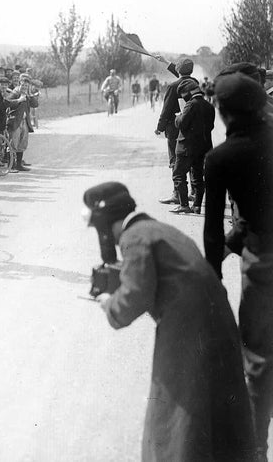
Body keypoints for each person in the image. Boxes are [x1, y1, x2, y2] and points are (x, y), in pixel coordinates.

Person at [84, 181, 256, 462]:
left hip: (187, 328)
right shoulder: (158, 229)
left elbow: (133, 298)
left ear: (108, 223)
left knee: (176, 410)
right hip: (216, 322)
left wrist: (108, 304)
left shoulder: (134, 237)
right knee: (215, 404)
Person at [202, 73, 273, 455]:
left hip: (265, 264)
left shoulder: (222, 158)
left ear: (224, 113)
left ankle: (254, 450)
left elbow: (213, 232)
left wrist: (213, 284)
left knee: (260, 361)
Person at [169, 79, 214, 215]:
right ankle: (197, 205)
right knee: (198, 177)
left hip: (186, 147)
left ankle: (184, 205)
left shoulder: (190, 105)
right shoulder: (209, 106)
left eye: (183, 94)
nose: (183, 97)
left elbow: (181, 123)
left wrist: (178, 116)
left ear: (188, 92)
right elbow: (210, 127)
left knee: (178, 174)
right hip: (203, 147)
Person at [155, 58, 196, 204]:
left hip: (175, 128)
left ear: (178, 70)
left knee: (175, 160)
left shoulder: (172, 86)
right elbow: (182, 76)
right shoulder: (194, 83)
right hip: (192, 127)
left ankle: (177, 193)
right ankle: (194, 192)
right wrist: (166, 62)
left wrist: (159, 128)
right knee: (191, 158)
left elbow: (166, 110)